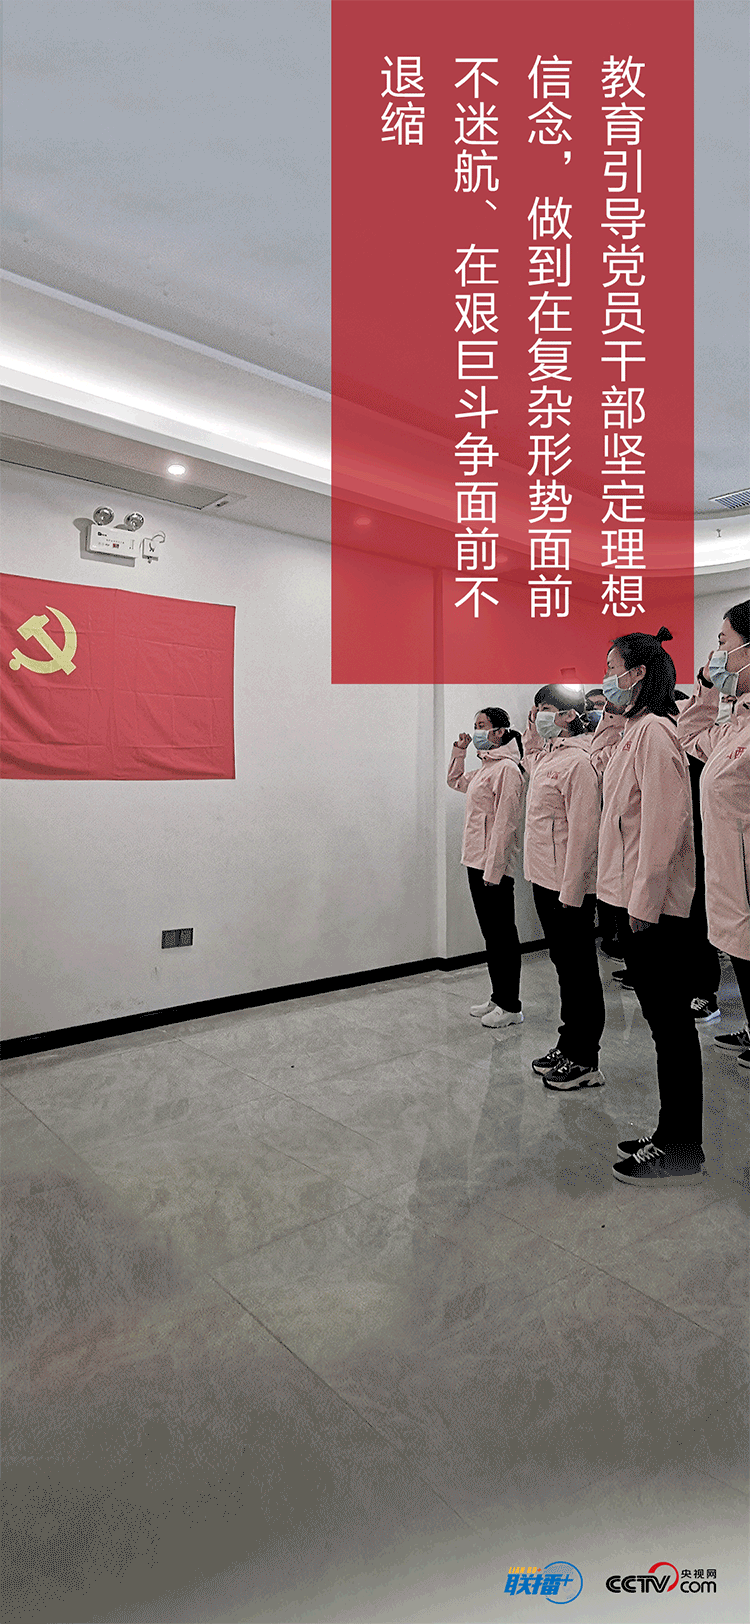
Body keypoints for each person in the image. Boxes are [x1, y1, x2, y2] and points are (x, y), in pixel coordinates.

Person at [594, 627, 704, 1184]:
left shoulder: (658, 732)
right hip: (633, 899)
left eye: (612, 667)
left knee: (670, 1027)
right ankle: (670, 1133)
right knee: (662, 1024)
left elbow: (666, 823)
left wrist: (644, 901)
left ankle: (681, 1145)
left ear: (637, 673)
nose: (606, 677)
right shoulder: (634, 731)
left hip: (653, 909)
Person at [677, 599, 750, 1067]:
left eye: (723, 642)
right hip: (729, 874)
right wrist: (706, 689)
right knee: (741, 954)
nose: (716, 655)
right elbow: (689, 739)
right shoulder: (735, 724)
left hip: (745, 876)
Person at [522, 686, 605, 1090]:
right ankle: (568, 1042)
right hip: (544, 879)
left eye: (545, 709)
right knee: (564, 968)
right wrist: (531, 729)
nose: (538, 715)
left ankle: (585, 1058)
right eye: (536, 710)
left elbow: (586, 834)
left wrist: (572, 893)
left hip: (567, 888)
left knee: (579, 971)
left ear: (570, 715)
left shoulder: (579, 763)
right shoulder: (549, 757)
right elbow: (529, 753)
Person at [448, 707, 525, 1028]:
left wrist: (494, 871)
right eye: (475, 725)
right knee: (491, 935)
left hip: (494, 867)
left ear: (499, 731)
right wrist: (460, 751)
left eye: (482, 726)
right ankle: (498, 996)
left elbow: (506, 824)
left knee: (502, 935)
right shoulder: (486, 766)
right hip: (475, 860)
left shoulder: (507, 769)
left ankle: (511, 1006)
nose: (477, 730)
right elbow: (455, 781)